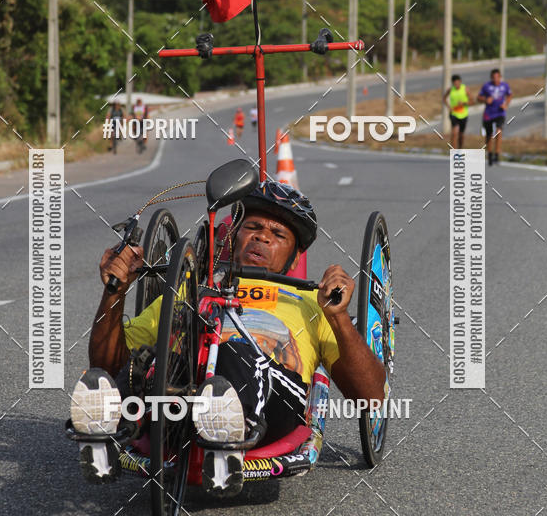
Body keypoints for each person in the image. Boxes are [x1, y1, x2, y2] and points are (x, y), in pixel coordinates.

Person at [69, 182, 386, 494]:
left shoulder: (310, 305)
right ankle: (110, 427)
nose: (262, 236)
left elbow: (371, 398)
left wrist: (340, 318)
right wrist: (114, 292)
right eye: (253, 227)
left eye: (277, 234)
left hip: (273, 398)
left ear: (295, 255)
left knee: (233, 350)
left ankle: (230, 425)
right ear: (233, 236)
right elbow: (109, 363)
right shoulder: (189, 291)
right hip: (187, 397)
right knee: (151, 362)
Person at [477, 69, 512, 165]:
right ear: (491, 78)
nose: (496, 79)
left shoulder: (505, 86)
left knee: (498, 131)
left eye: (497, 77)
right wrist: (485, 99)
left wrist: (506, 104)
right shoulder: (486, 86)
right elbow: (478, 97)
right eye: (494, 77)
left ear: (500, 77)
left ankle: (497, 153)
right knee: (489, 135)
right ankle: (490, 154)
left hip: (500, 113)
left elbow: (509, 95)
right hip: (488, 114)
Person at [444, 74, 472, 149]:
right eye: (454, 83)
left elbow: (472, 101)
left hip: (463, 114)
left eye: (457, 83)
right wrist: (449, 107)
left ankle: (460, 148)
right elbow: (444, 98)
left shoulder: (465, 89)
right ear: (452, 83)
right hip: (454, 114)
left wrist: (464, 103)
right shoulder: (450, 90)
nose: (456, 85)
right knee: (454, 133)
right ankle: (453, 152)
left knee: (461, 134)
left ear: (460, 82)